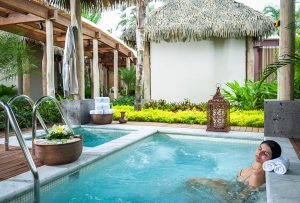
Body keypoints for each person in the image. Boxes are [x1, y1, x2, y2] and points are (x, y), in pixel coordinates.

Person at [187, 140, 282, 201]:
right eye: (259, 148)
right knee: (192, 180)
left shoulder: (256, 174)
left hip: (230, 195)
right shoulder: (256, 164)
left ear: (271, 159)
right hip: (233, 186)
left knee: (192, 181)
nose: (259, 153)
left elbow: (241, 198)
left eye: (265, 153)